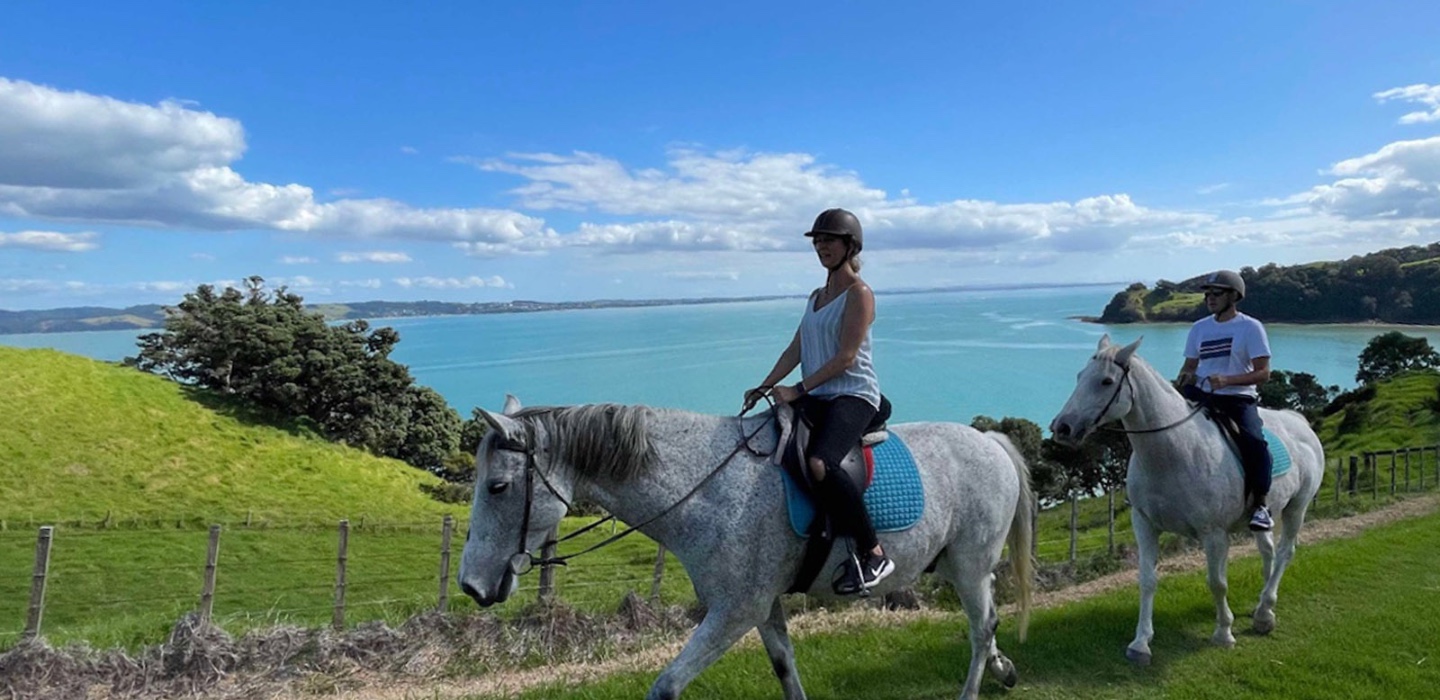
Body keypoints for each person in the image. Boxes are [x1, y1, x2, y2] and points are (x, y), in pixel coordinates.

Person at [743, 207, 894, 595]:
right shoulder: (817, 296)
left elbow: (845, 358)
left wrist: (798, 390)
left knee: (821, 463)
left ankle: (873, 552)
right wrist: (765, 385)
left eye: (830, 240)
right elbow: (797, 347)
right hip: (820, 394)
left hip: (854, 394)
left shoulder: (859, 294)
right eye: (818, 241)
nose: (822, 246)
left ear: (850, 245)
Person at [1174, 269, 1275, 531]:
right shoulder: (1199, 328)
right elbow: (1189, 366)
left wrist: (1228, 381)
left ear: (1234, 296)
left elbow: (1264, 373)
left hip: (1237, 399)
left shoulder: (1250, 327)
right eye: (1208, 293)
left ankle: (1261, 506)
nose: (1210, 298)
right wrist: (1185, 378)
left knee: (1255, 443)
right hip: (1201, 396)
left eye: (1216, 293)